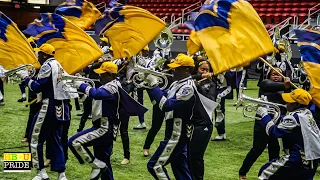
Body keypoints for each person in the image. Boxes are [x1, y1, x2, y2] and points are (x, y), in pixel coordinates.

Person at [16, 43, 70, 180]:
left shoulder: (47, 65)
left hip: (49, 107)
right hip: (61, 107)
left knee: (34, 139)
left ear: (44, 55)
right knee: (55, 140)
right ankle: (61, 174)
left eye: (39, 54)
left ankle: (41, 172)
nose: (37, 57)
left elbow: (37, 87)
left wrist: (25, 77)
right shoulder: (58, 64)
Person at [146, 53, 194, 180]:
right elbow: (162, 97)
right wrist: (149, 84)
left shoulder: (188, 87)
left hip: (177, 134)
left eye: (177, 68)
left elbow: (167, 105)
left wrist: (154, 85)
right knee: (180, 170)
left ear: (187, 70)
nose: (173, 71)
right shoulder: (176, 84)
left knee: (155, 166)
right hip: (173, 132)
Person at [68, 62, 119, 180]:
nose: (100, 76)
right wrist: (77, 86)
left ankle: (96, 166)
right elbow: (91, 100)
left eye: (103, 74)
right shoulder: (109, 85)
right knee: (104, 162)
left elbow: (96, 94)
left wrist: (81, 85)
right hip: (104, 127)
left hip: (104, 128)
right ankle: (99, 167)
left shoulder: (113, 87)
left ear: (110, 75)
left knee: (74, 142)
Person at [239, 68, 291, 180]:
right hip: (262, 122)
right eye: (273, 74)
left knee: (275, 150)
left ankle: (272, 175)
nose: (276, 76)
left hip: (277, 123)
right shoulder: (265, 84)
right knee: (257, 149)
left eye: (278, 74)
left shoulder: (286, 89)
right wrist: (286, 85)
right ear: (268, 76)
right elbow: (270, 85)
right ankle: (242, 172)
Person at [257, 88, 320, 179]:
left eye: (290, 102)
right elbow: (286, 121)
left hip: (298, 157)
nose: (286, 103)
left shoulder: (294, 117)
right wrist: (269, 109)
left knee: (264, 173)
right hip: (313, 158)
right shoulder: (307, 113)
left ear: (297, 104)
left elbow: (273, 132)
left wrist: (264, 115)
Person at [189, 60, 217, 180]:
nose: (205, 72)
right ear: (197, 70)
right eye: (202, 69)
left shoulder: (212, 85)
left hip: (203, 123)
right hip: (190, 123)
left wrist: (198, 87)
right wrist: (198, 78)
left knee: (196, 156)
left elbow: (210, 101)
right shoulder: (190, 81)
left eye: (207, 70)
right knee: (188, 155)